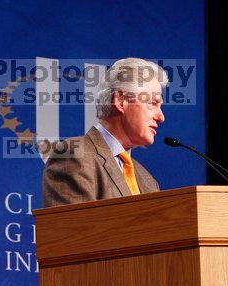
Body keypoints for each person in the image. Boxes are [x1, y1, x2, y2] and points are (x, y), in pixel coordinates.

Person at [42, 58, 167, 207]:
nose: (161, 117)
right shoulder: (75, 155)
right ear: (121, 100)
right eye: (152, 104)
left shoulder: (148, 181)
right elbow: (71, 228)